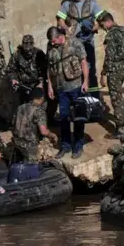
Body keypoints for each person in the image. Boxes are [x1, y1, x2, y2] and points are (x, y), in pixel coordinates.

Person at [46, 26, 90, 159]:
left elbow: (83, 62)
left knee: (78, 117)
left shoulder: (75, 43)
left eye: (53, 40)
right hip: (60, 89)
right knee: (63, 118)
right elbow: (49, 67)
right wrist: (50, 86)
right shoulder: (51, 47)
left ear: (60, 36)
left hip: (75, 86)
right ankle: (65, 146)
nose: (52, 43)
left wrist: (86, 81)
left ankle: (78, 145)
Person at [56, 0, 104, 89]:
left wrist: (95, 26)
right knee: (76, 68)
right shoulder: (67, 4)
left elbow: (100, 18)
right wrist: (66, 28)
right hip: (74, 41)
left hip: (88, 39)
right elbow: (60, 20)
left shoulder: (91, 3)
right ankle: (80, 94)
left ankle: (94, 95)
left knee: (90, 68)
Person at [10, 87, 53, 167]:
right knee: (30, 169)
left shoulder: (20, 107)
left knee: (18, 164)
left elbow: (13, 122)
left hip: (17, 142)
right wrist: (52, 135)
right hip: (29, 146)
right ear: (42, 98)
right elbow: (43, 131)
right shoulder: (39, 110)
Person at [6, 35, 48, 104]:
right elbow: (11, 70)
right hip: (23, 86)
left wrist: (41, 83)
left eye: (30, 49)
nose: (28, 52)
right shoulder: (16, 55)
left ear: (33, 44)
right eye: (26, 49)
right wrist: (14, 79)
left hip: (37, 86)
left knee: (38, 107)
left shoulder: (39, 53)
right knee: (25, 109)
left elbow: (44, 69)